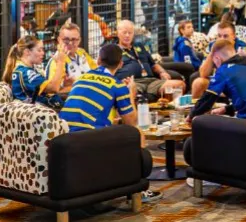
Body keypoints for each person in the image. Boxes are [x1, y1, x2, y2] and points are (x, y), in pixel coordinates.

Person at [58, 44, 163, 203]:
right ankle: (137, 191)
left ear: (99, 60)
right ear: (121, 64)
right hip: (89, 140)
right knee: (137, 133)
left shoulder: (82, 78)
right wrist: (131, 94)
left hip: (65, 137)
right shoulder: (117, 85)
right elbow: (131, 122)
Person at [187, 40, 246, 122]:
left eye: (214, 63)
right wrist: (226, 109)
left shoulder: (224, 70)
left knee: (200, 124)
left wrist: (191, 115)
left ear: (217, 59)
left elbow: (206, 100)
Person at [114, 20, 186, 98]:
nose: (127, 35)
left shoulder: (139, 46)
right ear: (118, 33)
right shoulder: (113, 50)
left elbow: (154, 65)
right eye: (124, 33)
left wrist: (162, 72)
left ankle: (168, 109)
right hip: (133, 83)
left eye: (130, 33)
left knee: (179, 85)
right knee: (127, 91)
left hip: (152, 81)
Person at [4, 35, 70, 107]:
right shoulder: (25, 72)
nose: (43, 53)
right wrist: (60, 62)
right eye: (39, 50)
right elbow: (53, 88)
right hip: (46, 113)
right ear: (27, 52)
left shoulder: (28, 69)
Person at [45, 22, 96, 96]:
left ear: (79, 40)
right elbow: (52, 93)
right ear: (59, 40)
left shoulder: (82, 53)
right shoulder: (56, 61)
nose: (70, 43)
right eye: (66, 40)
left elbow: (97, 72)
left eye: (74, 40)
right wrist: (66, 86)